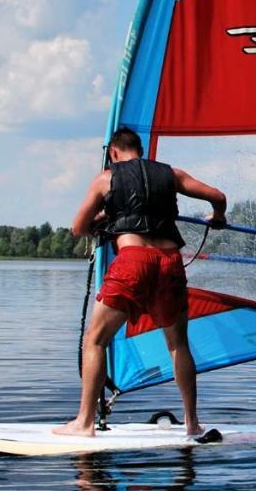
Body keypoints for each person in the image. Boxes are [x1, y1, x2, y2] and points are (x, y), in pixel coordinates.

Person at [54, 128, 227, 437]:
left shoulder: (106, 179)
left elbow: (78, 227)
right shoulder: (171, 174)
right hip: (170, 261)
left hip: (133, 262)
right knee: (178, 345)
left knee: (95, 341)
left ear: (113, 154)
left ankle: (84, 423)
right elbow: (218, 196)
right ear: (141, 149)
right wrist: (218, 217)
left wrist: (104, 218)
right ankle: (192, 422)